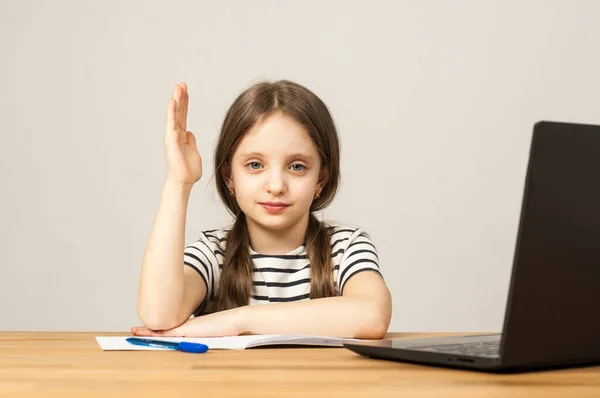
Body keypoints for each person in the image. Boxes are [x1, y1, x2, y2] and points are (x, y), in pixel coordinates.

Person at [131, 80, 392, 339]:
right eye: (255, 165)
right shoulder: (214, 253)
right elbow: (158, 316)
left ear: (320, 179)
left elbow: (372, 316)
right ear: (229, 175)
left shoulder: (345, 247)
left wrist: (238, 321)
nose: (276, 186)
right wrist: (179, 183)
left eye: (297, 166)